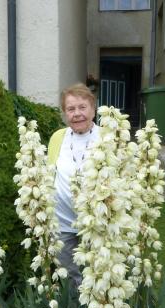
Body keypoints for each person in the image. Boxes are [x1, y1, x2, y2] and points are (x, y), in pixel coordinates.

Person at [47, 83, 100, 289]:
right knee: (70, 276)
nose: (77, 114)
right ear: (64, 113)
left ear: (93, 109)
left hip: (96, 224)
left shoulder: (107, 137)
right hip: (62, 223)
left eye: (82, 107)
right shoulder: (57, 137)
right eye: (70, 109)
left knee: (97, 272)